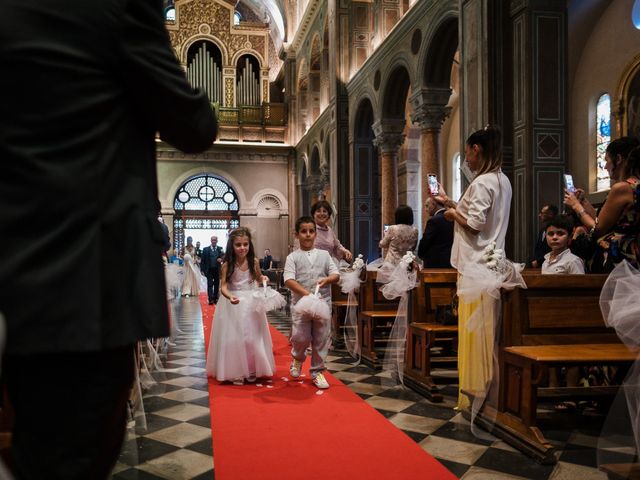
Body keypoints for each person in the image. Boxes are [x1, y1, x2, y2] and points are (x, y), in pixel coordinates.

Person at [0, 1, 218, 478]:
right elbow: (196, 124)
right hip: (90, 274)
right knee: (79, 451)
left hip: (16, 270)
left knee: (34, 440)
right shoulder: (116, 7)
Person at [439, 125, 512, 410]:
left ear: (476, 149)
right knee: (486, 332)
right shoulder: (502, 180)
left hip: (476, 266)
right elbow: (482, 216)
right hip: (492, 263)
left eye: (468, 153)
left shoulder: (482, 182)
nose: (467, 160)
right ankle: (485, 387)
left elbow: (474, 223)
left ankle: (474, 392)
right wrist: (451, 202)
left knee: (473, 333)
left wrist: (450, 213)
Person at [206, 228, 275, 384]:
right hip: (233, 302)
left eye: (246, 244)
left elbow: (258, 277)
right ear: (232, 246)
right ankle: (236, 370)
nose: (242, 248)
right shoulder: (227, 265)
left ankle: (251, 368)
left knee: (252, 337)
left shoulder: (254, 262)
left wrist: (263, 278)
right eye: (238, 245)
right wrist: (230, 296)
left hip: (251, 302)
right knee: (235, 337)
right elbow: (223, 287)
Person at [564, 137, 640, 272]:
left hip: (624, 258)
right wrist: (583, 202)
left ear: (618, 159)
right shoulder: (636, 185)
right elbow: (607, 221)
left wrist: (576, 206)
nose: (605, 166)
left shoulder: (622, 188)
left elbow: (598, 229)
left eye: (607, 160)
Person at [284, 216, 340, 389]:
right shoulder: (293, 257)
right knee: (300, 337)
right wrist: (307, 293)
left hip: (322, 304)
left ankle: (317, 371)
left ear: (315, 234)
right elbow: (288, 280)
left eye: (311, 231)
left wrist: (327, 280)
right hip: (301, 304)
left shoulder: (324, 255)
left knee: (321, 339)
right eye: (303, 231)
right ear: (297, 234)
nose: (307, 235)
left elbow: (335, 274)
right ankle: (298, 357)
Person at [540, 215, 584, 400]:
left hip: (569, 313)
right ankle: (552, 386)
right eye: (551, 234)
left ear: (570, 236)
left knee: (570, 353)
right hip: (548, 312)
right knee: (550, 350)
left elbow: (581, 290)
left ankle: (570, 393)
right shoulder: (545, 260)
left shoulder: (572, 261)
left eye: (560, 233)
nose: (555, 237)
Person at [417, 197, 454, 268]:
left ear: (434, 205)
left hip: (435, 262)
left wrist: (420, 254)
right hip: (451, 261)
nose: (426, 209)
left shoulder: (434, 220)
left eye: (427, 206)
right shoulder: (452, 217)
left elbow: (426, 240)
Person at [202, 236, 224, 305]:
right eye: (212, 240)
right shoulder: (205, 249)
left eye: (215, 240)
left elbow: (224, 257)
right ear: (210, 241)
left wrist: (221, 259)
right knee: (210, 284)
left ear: (217, 241)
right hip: (209, 270)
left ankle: (215, 298)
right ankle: (210, 299)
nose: (214, 241)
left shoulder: (220, 249)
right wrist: (202, 270)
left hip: (217, 270)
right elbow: (203, 261)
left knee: (217, 285)